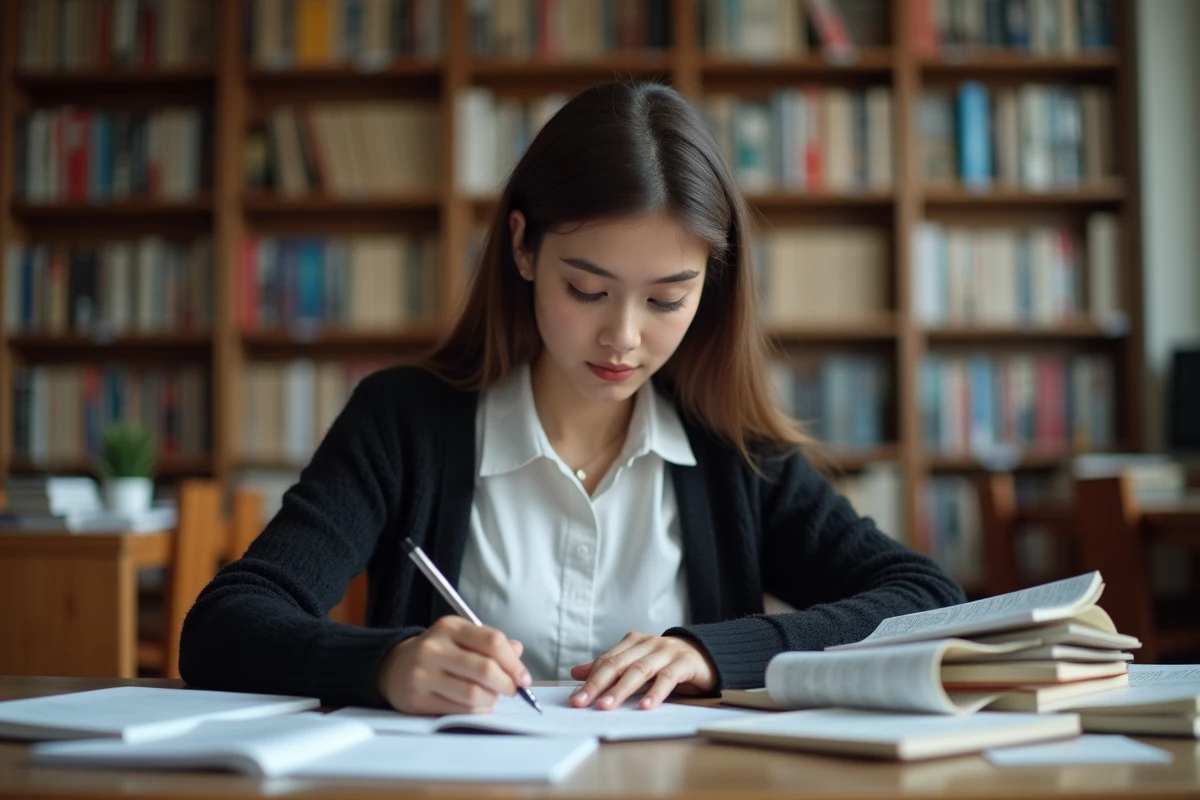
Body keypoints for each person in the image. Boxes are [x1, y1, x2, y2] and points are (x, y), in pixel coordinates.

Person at [180, 81, 964, 717]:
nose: (622, 337)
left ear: (710, 287)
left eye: (666, 300)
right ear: (523, 247)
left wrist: (712, 653)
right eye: (587, 289)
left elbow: (927, 599)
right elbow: (223, 626)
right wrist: (384, 664)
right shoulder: (403, 422)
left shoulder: (734, 451)